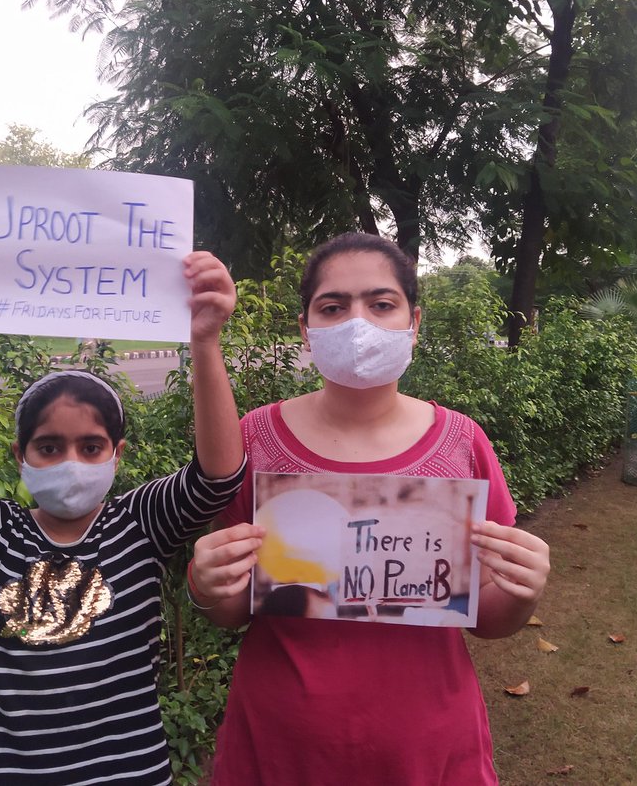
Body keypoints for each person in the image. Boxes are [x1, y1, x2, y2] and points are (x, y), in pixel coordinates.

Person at [0, 241, 246, 785]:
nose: (70, 462)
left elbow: (218, 479)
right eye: (48, 447)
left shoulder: (139, 526)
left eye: (91, 447)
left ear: (118, 454)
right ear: (21, 457)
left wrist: (205, 341)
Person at [189, 232, 550, 785]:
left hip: (427, 749)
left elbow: (490, 620)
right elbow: (234, 607)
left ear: (414, 321)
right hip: (280, 748)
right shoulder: (254, 438)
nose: (358, 322)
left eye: (382, 304)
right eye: (333, 307)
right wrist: (207, 585)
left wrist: (524, 591)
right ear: (306, 332)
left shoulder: (462, 443)